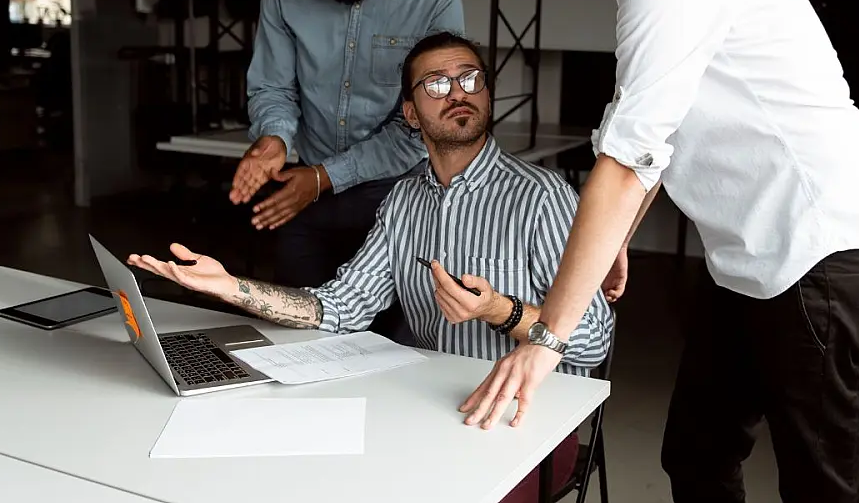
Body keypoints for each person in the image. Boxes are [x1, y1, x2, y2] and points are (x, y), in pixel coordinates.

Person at [461, 0, 859, 502]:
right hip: (753, 263)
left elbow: (626, 162)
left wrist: (545, 339)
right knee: (697, 454)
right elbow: (654, 130)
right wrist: (619, 235)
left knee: (822, 491)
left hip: (823, 262)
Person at [131, 32, 614, 503]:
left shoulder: (542, 196)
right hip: (428, 408)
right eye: (436, 84)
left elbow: (594, 339)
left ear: (487, 93)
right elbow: (341, 307)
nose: (458, 92)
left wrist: (499, 311)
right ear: (411, 113)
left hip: (523, 425)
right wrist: (231, 287)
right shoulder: (403, 201)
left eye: (470, 79)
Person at [230, 0, 465, 342]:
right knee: (295, 341)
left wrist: (323, 178)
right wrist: (275, 139)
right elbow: (273, 86)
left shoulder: (434, 0)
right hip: (302, 197)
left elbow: (420, 127)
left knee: (392, 350)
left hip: (397, 202)